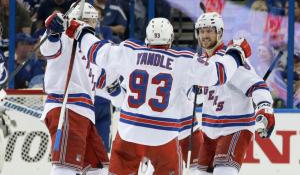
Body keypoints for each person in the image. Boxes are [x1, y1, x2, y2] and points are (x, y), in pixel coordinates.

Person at [45, 10, 252, 174]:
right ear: (170, 40)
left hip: (129, 133)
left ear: (146, 39)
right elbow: (216, 75)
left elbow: (97, 52)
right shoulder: (184, 60)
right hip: (162, 136)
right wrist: (235, 53)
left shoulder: (130, 51)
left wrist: (78, 29)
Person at [193, 12, 275, 175]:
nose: (205, 35)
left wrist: (265, 108)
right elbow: (202, 97)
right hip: (210, 132)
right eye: (201, 31)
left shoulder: (231, 58)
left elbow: (257, 85)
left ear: (220, 33)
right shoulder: (200, 61)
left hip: (235, 128)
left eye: (209, 31)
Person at [40, 2, 109, 175]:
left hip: (84, 114)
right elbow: (48, 49)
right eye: (89, 21)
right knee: (64, 166)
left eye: (93, 21)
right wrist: (53, 31)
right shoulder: (66, 37)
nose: (92, 25)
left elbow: (102, 82)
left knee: (97, 167)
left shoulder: (93, 46)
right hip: (67, 106)